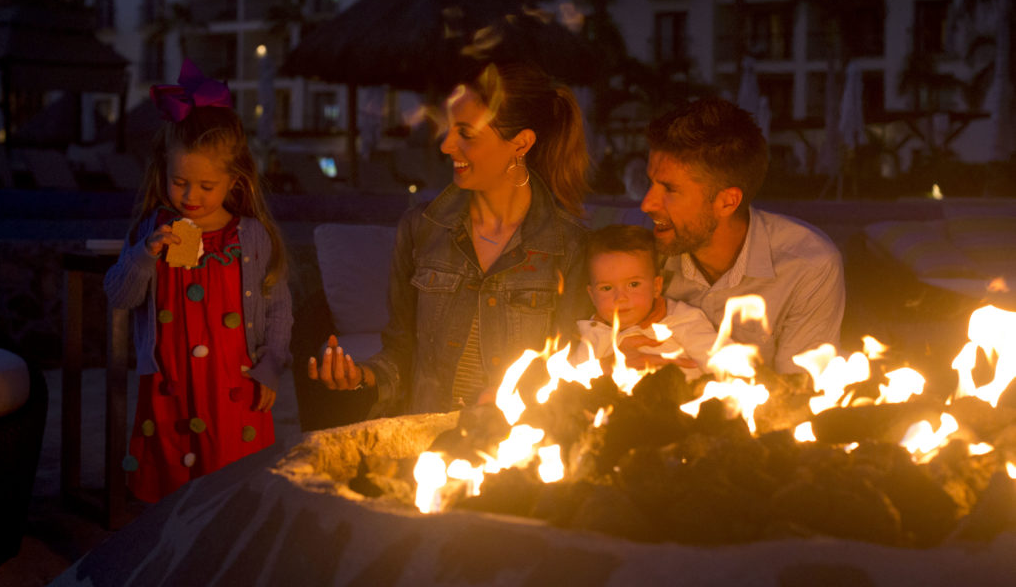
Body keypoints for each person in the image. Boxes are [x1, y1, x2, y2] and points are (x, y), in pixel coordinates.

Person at [310, 62, 592, 416]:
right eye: (448, 130)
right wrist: (363, 377)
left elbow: (570, 373)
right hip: (428, 449)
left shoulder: (568, 245)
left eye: (466, 134)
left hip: (514, 452)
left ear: (520, 143)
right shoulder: (422, 229)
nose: (446, 146)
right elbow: (400, 352)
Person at [104, 59, 293, 502]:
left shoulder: (250, 237)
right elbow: (118, 293)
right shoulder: (153, 230)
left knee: (232, 493)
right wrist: (144, 255)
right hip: (169, 392)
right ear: (163, 172)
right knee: (170, 494)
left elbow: (278, 306)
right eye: (180, 182)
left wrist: (271, 366)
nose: (191, 197)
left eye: (207, 186)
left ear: (234, 180)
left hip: (235, 391)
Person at [631, 98, 844, 374]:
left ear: (727, 203)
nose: (647, 204)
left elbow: (798, 392)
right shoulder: (636, 254)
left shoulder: (808, 265)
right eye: (651, 183)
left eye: (669, 189)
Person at [573, 224, 721, 381]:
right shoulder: (594, 334)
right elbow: (570, 385)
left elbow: (725, 365)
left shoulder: (682, 320)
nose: (620, 298)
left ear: (656, 287)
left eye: (633, 284)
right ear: (592, 296)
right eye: (607, 288)